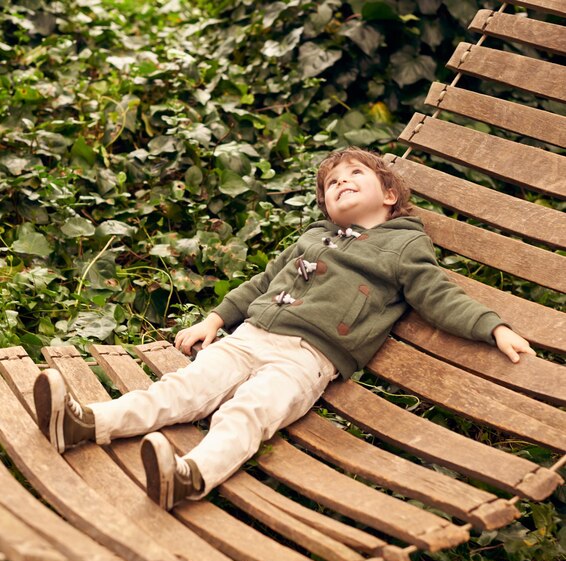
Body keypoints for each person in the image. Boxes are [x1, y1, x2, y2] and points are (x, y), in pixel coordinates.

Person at [33, 146, 535, 510]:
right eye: (331, 184)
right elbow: (262, 282)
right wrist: (216, 318)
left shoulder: (405, 247)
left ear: (388, 193)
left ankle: (189, 478)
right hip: (251, 334)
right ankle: (84, 423)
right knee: (183, 388)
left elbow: (438, 295)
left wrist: (493, 328)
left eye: (353, 175)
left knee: (249, 412)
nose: (340, 184)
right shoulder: (314, 239)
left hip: (307, 359)